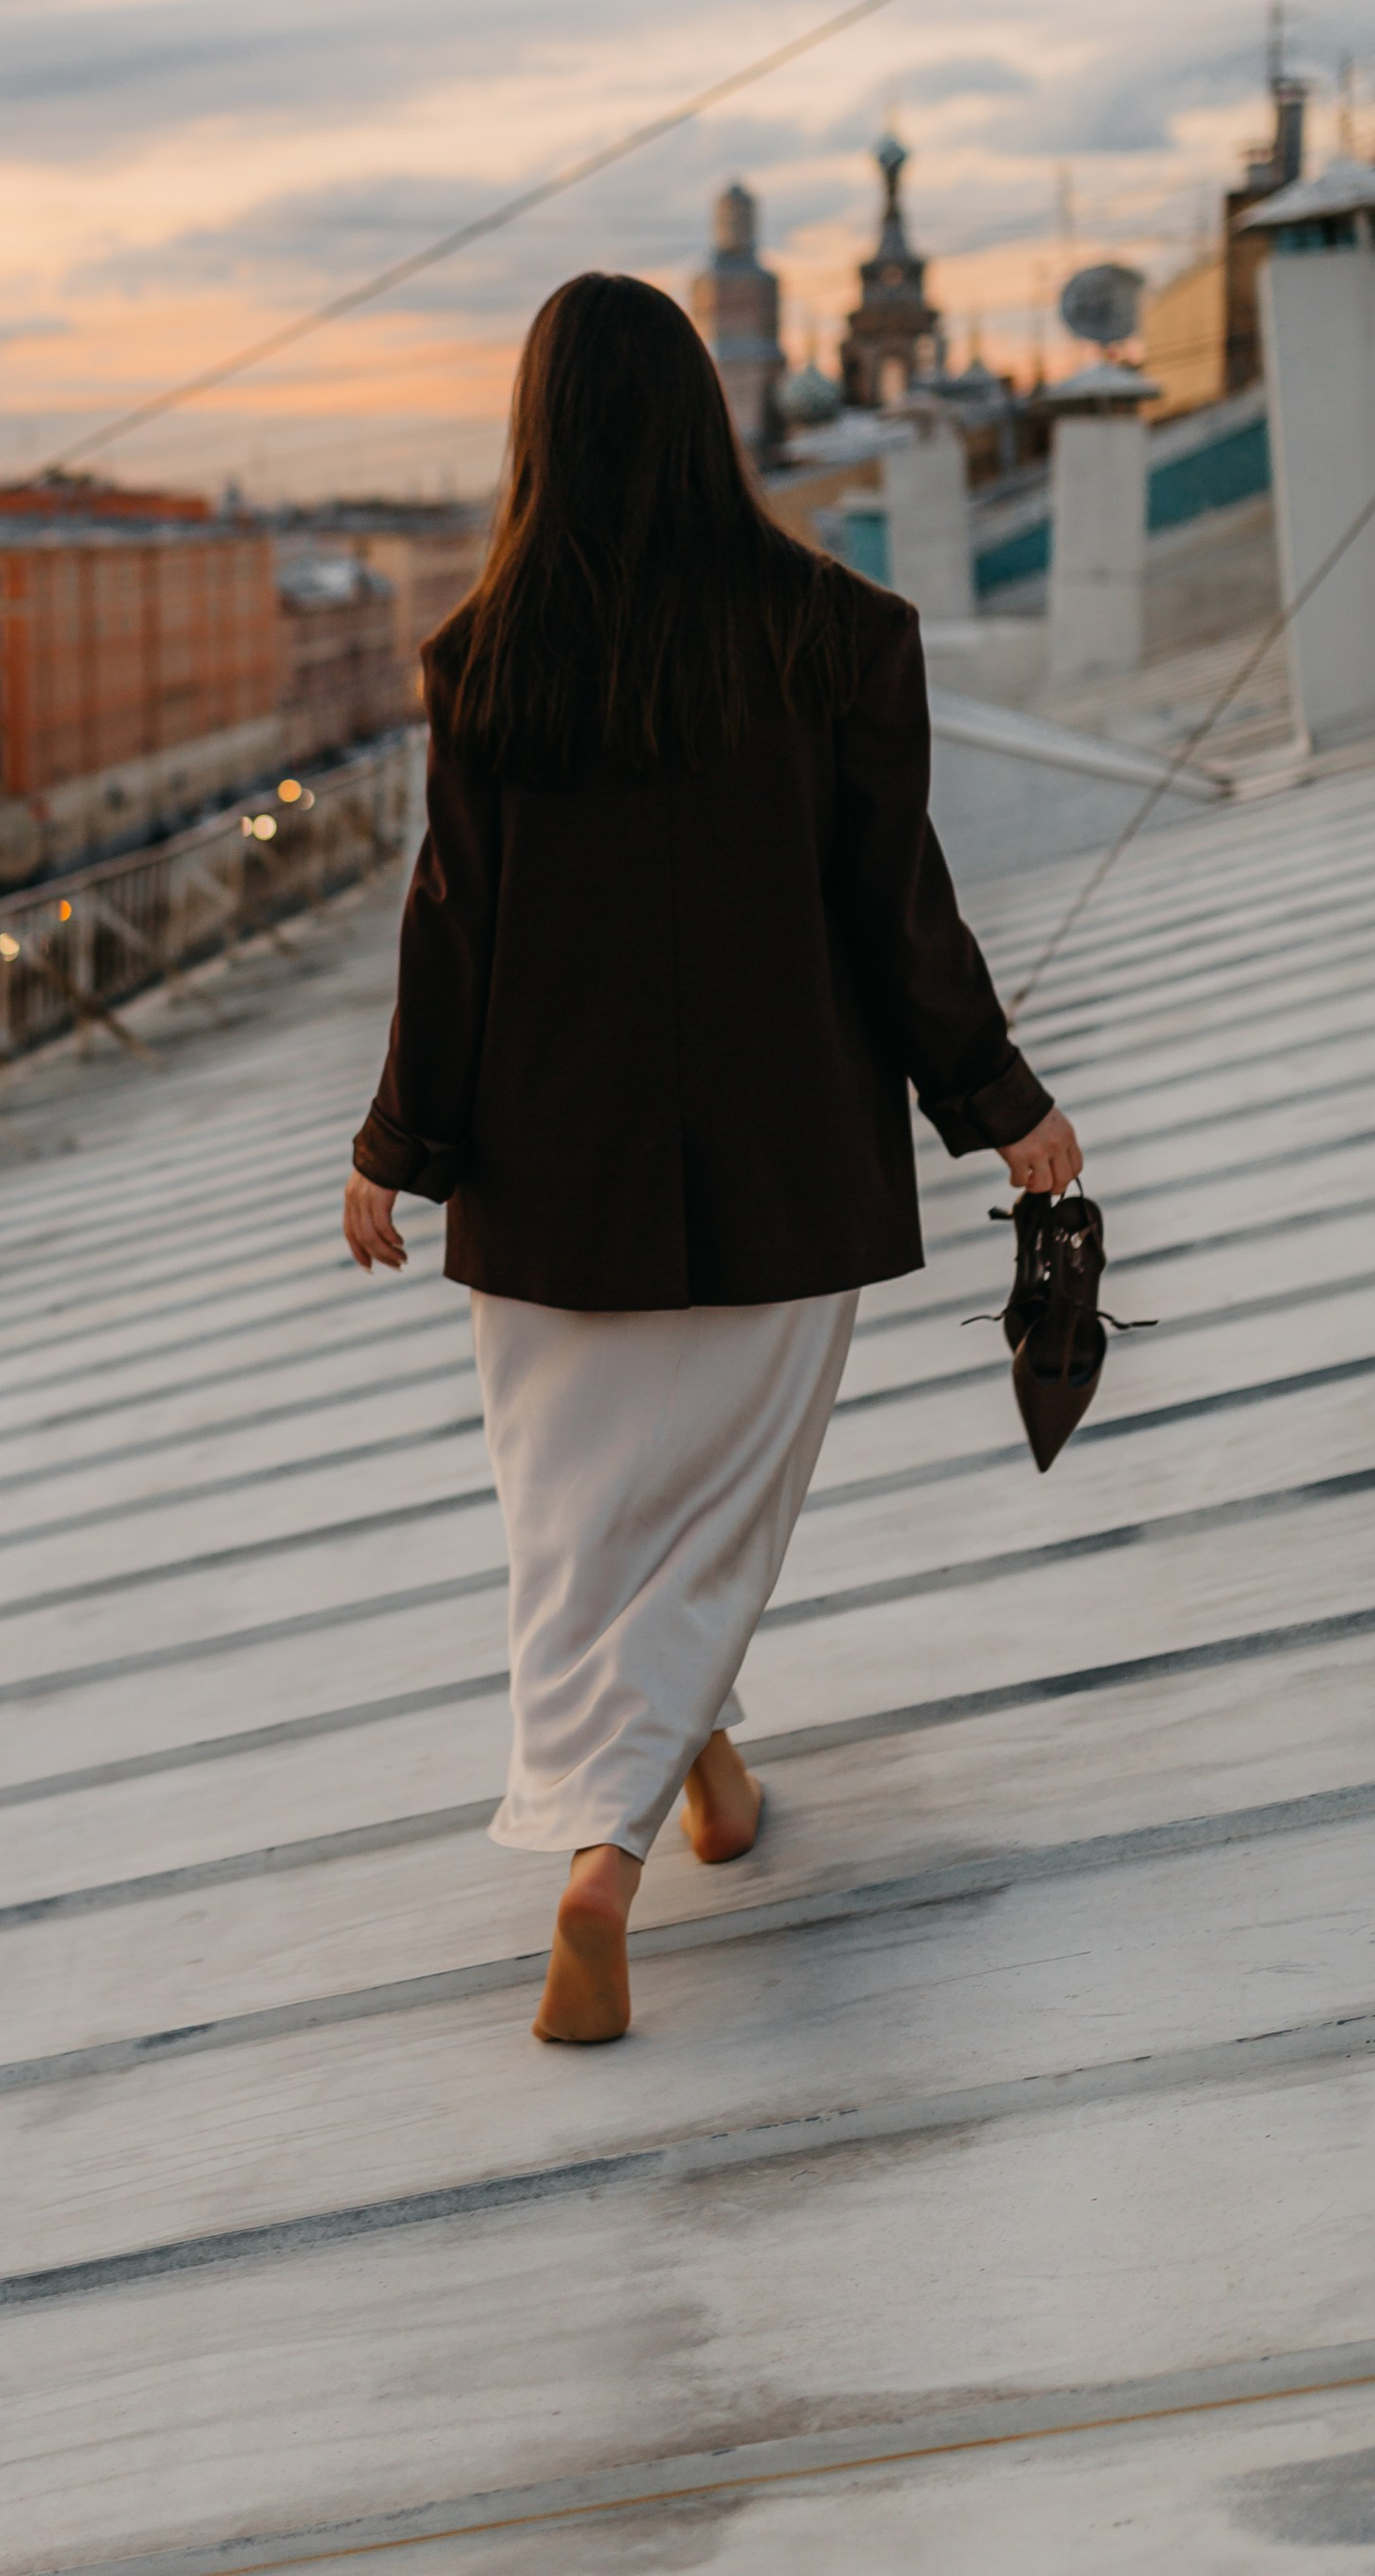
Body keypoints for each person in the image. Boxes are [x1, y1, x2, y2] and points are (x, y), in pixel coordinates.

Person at [342, 273, 1080, 2046]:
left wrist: (397, 1151)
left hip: (548, 1188)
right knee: (718, 1508)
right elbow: (898, 917)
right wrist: (1005, 1109)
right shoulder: (839, 633)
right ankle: (607, 1853)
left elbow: (451, 934)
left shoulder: (485, 664)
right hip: (781, 1173)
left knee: (586, 1533)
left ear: (539, 430)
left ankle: (700, 1775)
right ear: (706, 414)